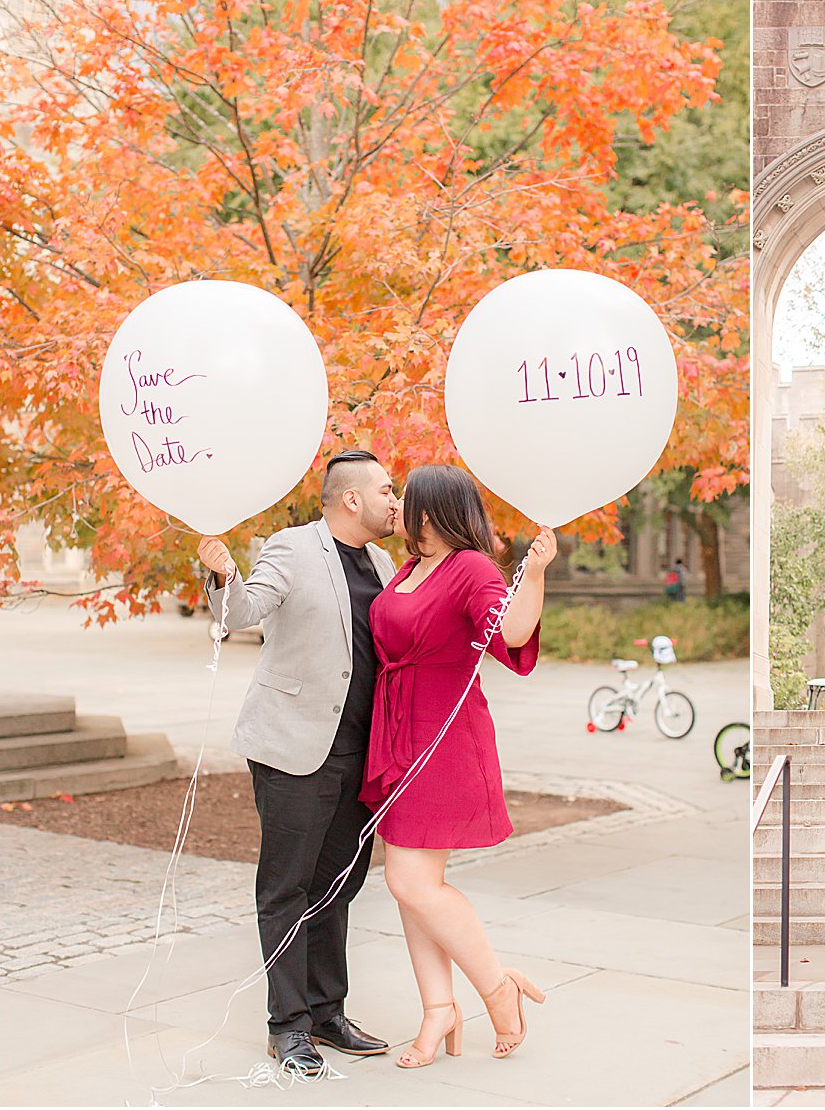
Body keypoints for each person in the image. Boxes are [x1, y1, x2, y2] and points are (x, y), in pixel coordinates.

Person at [197, 450, 399, 1075]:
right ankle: (286, 1026)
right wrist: (221, 573)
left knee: (337, 886)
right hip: (293, 747)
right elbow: (241, 614)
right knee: (286, 889)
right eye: (389, 490)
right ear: (352, 500)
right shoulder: (290, 548)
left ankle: (327, 1012)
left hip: (362, 754)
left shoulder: (387, 561)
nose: (398, 501)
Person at [359, 465, 556, 1069]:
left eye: (404, 499)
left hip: (444, 739)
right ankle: (437, 1009)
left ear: (431, 510)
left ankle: (499, 988)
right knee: (410, 887)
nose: (395, 508)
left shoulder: (469, 567)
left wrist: (537, 571)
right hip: (399, 733)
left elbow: (513, 631)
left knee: (410, 882)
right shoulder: (409, 569)